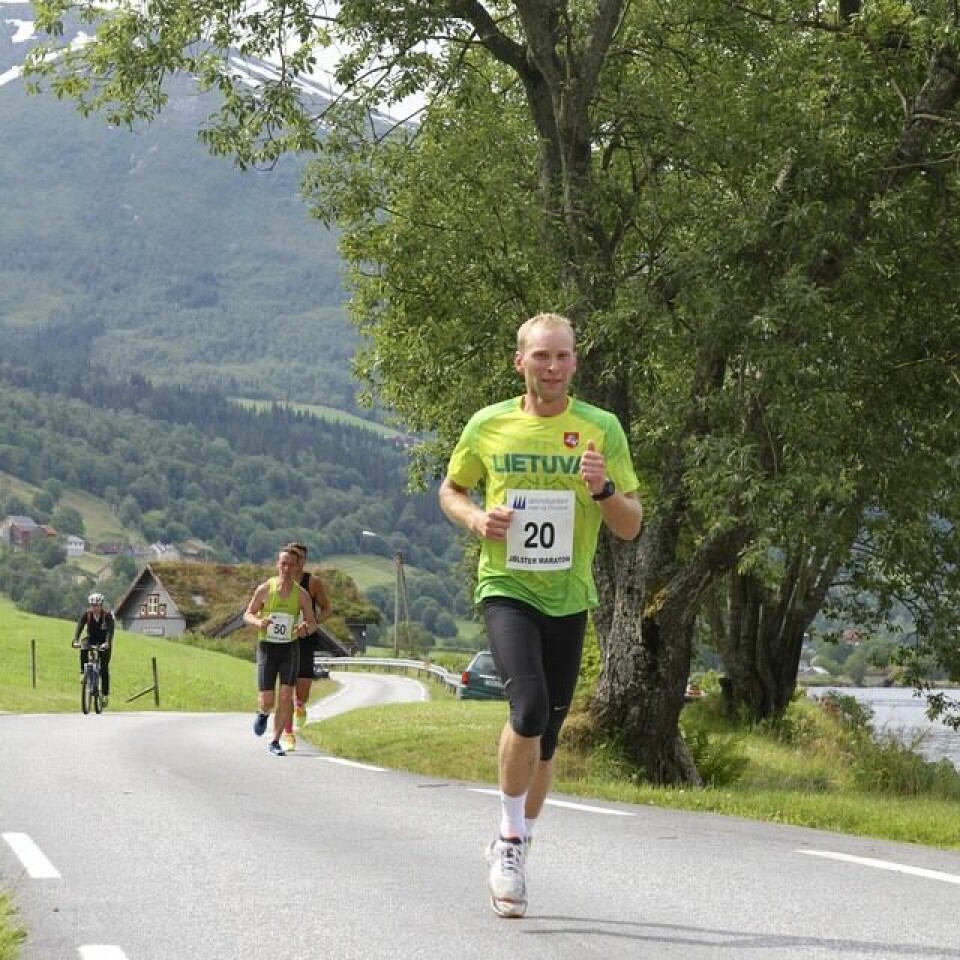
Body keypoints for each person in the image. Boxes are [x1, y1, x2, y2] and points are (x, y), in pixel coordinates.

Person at [439, 312, 643, 918]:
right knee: (525, 710)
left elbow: (631, 528)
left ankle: (521, 841)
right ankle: (507, 841)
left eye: (562, 357)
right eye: (541, 357)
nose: (552, 368)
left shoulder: (600, 428)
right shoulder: (490, 425)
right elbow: (451, 489)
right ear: (519, 362)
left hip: (569, 595)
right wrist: (476, 519)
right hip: (506, 586)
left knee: (548, 739)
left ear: (575, 363)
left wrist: (604, 491)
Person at [243, 548, 317, 756]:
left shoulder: (301, 595)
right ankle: (263, 713)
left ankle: (275, 741)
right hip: (267, 648)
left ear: (296, 567)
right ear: (278, 565)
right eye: (283, 564)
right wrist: (259, 622)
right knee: (268, 700)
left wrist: (304, 629)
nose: (286, 568)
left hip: (289, 649)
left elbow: (313, 623)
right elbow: (247, 614)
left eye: (290, 565)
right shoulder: (265, 589)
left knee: (286, 696)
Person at [279, 542, 332, 752]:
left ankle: (300, 706)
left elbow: (328, 608)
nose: (296, 562)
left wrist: (314, 622)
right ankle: (288, 734)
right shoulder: (280, 582)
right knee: (286, 689)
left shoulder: (313, 583)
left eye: (300, 558)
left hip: (306, 640)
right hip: (284, 641)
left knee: (302, 691)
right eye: (293, 558)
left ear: (304, 561)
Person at [72, 592, 115, 708]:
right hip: (91, 639)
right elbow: (80, 626)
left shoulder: (107, 616)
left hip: (104, 642)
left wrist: (107, 643)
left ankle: (105, 694)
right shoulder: (87, 614)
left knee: (104, 668)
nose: (94, 608)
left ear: (101, 605)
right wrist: (75, 640)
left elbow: (110, 631)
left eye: (97, 605)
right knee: (83, 646)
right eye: (92, 605)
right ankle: (83, 672)